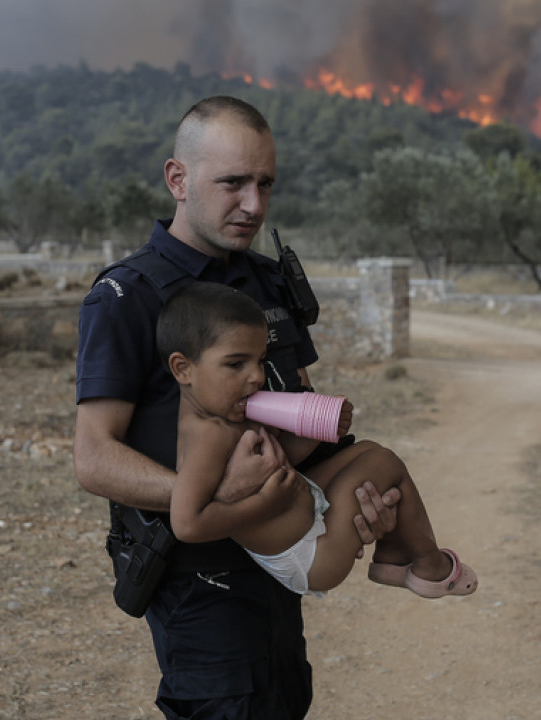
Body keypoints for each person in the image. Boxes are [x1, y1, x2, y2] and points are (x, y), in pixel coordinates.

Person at [75, 95, 406, 719]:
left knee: (284, 703)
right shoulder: (127, 297)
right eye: (233, 183)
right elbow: (93, 459)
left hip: (278, 559)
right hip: (200, 580)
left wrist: (350, 499)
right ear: (178, 179)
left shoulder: (265, 280)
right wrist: (215, 496)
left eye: (265, 184)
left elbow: (298, 413)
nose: (253, 205)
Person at [159, 281, 478, 598]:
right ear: (183, 369)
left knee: (368, 451)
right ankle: (429, 564)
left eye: (260, 360)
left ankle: (392, 553)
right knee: (384, 463)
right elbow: (188, 524)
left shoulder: (226, 411)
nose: (256, 376)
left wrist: (321, 428)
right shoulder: (207, 434)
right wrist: (264, 503)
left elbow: (282, 460)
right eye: (235, 364)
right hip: (311, 554)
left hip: (304, 509)